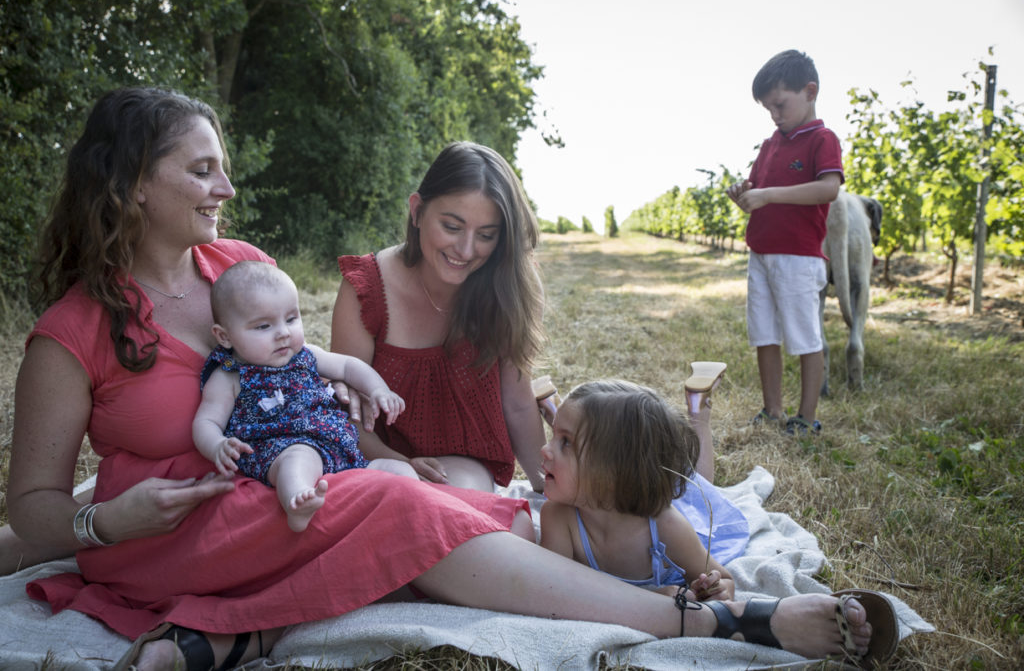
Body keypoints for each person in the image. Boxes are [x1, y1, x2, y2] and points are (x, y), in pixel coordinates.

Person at [5, 86, 890, 670]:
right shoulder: (70, 333)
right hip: (175, 529)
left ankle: (233, 634)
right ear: (127, 186)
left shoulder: (238, 269)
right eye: (203, 169)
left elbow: (304, 375)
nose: (227, 187)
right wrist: (101, 517)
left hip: (289, 494)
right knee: (401, 502)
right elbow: (34, 512)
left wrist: (346, 394)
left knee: (463, 506)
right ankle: (705, 623)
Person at [331, 141, 547, 493]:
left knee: (461, 497)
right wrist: (402, 465)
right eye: (452, 226)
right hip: (380, 465)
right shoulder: (366, 288)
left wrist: (546, 488)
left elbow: (519, 404)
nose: (465, 250)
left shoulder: (508, 288)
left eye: (486, 235)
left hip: (463, 472)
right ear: (417, 212)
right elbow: (348, 415)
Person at [193, 260, 414, 532]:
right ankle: (297, 501)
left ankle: (407, 509)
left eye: (291, 319)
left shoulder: (305, 354)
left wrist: (378, 389)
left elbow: (347, 366)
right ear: (224, 337)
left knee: (399, 471)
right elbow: (207, 422)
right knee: (299, 458)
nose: (283, 333)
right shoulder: (230, 375)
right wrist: (216, 445)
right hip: (279, 449)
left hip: (341, 450)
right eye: (263, 327)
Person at [726, 49, 843, 436]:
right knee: (764, 333)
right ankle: (772, 409)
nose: (775, 115)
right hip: (760, 252)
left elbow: (828, 190)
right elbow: (758, 192)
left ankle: (806, 417)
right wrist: (744, 192)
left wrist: (769, 195)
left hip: (798, 256)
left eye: (780, 104)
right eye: (768, 109)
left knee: (805, 337)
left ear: (810, 91)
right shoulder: (770, 144)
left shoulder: (822, 140)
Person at [540, 379, 737, 603]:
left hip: (667, 504)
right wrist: (650, 597)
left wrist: (716, 589)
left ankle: (699, 414)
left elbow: (725, 580)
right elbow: (551, 589)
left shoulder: (666, 526)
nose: (545, 449)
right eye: (553, 436)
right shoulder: (558, 517)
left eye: (565, 442)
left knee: (699, 484)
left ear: (614, 471)